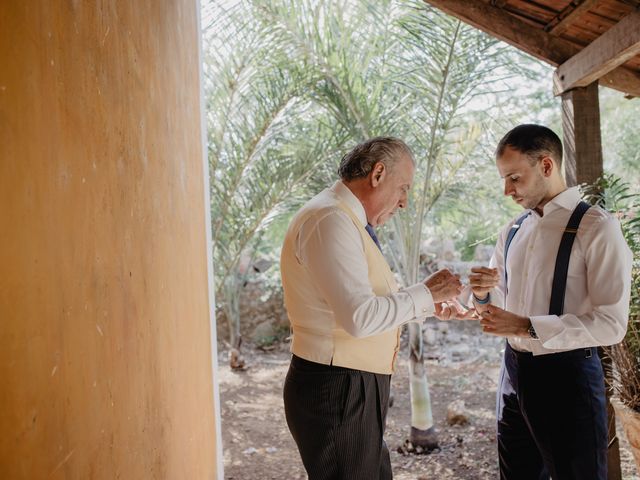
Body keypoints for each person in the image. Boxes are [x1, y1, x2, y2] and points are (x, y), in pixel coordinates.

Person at [280, 136, 466, 480]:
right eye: (403, 188)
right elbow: (360, 318)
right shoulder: (330, 220)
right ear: (378, 174)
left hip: (348, 386)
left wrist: (428, 304)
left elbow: (366, 303)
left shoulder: (344, 220)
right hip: (339, 389)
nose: (405, 202)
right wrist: (426, 293)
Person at [469, 124, 632, 480]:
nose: (506, 190)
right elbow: (495, 308)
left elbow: (611, 323)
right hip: (513, 374)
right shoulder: (512, 231)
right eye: (504, 179)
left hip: (568, 377)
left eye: (514, 178)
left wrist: (527, 325)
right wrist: (482, 292)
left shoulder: (597, 227)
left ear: (546, 165)